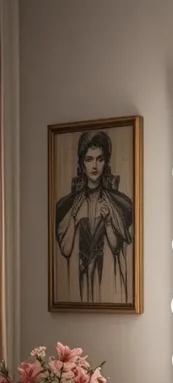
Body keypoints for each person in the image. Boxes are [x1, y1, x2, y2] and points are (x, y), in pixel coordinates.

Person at [55, 130, 133, 304]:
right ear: (82, 164)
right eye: (89, 159)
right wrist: (74, 219)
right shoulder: (68, 205)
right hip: (76, 284)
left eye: (100, 159)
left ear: (106, 162)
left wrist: (107, 221)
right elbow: (65, 250)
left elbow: (116, 247)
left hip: (108, 282)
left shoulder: (117, 203)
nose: (94, 166)